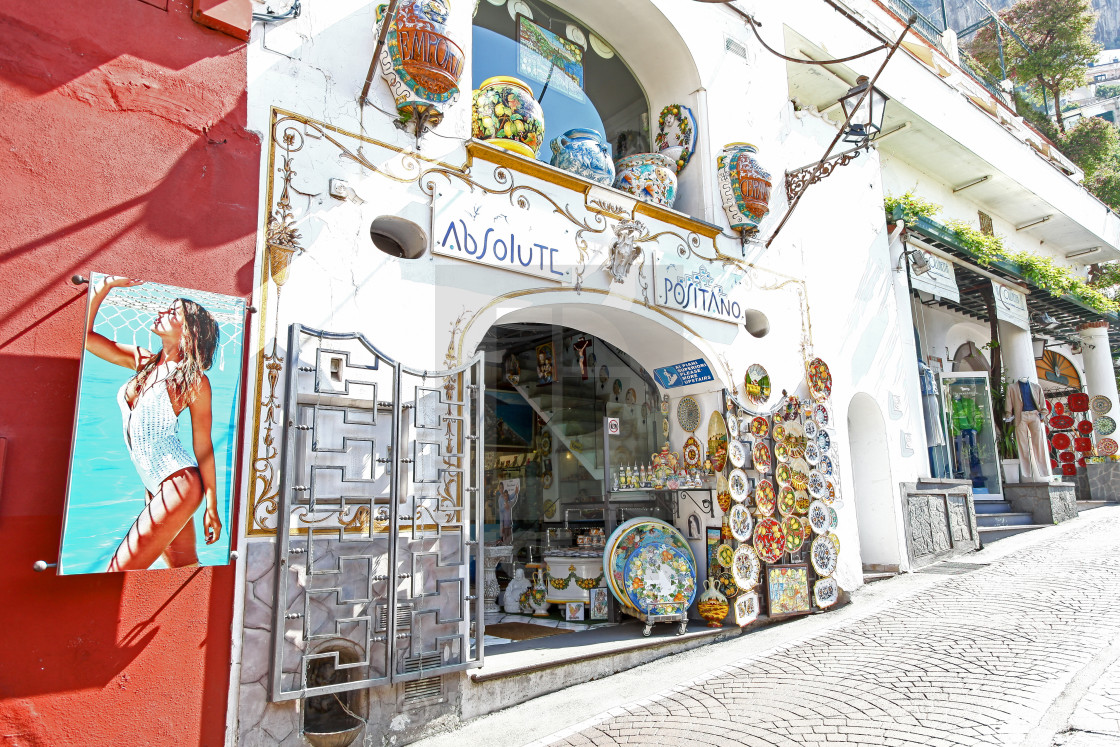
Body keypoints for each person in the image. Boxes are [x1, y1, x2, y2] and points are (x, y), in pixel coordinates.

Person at [85, 276, 222, 571]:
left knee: (117, 571)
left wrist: (212, 504)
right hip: (154, 486)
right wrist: (104, 287)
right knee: (185, 570)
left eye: (172, 312)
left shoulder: (195, 380)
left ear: (188, 331)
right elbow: (85, 337)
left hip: (178, 483)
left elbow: (204, 445)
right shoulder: (144, 361)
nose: (161, 312)